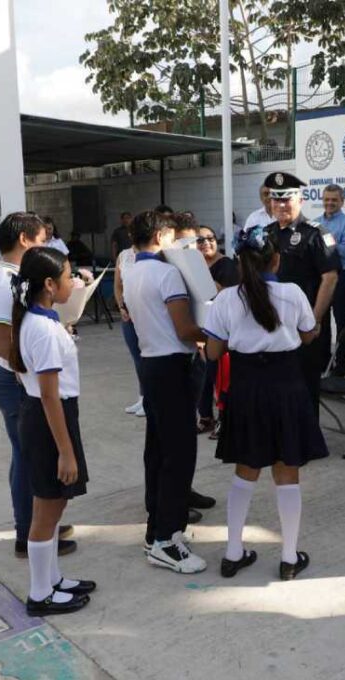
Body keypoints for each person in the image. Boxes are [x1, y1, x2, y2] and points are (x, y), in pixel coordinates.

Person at [204, 225, 327, 580]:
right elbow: (307, 337)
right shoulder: (292, 293)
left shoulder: (226, 299)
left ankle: (232, 552)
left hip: (246, 389)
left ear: (240, 264)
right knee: (287, 469)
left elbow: (213, 352)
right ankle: (289, 558)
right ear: (276, 259)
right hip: (286, 386)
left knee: (246, 469)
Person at [8, 246, 96, 616]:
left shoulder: (41, 318)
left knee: (56, 503)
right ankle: (39, 593)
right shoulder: (42, 329)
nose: (72, 283)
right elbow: (48, 396)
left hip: (49, 415)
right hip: (49, 421)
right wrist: (65, 450)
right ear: (48, 284)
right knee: (45, 509)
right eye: (67, 277)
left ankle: (53, 580)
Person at [0, 212, 76, 559]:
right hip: (14, 380)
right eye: (42, 240)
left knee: (30, 456)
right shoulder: (4, 282)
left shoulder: (19, 278)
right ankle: (28, 533)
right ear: (24, 240)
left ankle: (40, 522)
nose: (46, 246)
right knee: (28, 458)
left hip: (21, 377)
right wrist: (32, 363)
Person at [122, 210, 208, 573]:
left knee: (158, 451)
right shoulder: (167, 273)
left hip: (152, 365)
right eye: (174, 237)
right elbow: (185, 328)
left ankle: (155, 529)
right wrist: (215, 334)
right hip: (172, 365)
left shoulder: (131, 269)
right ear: (159, 236)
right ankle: (166, 540)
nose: (179, 245)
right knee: (179, 455)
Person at [264, 173, 340, 414]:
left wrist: (314, 319)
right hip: (273, 324)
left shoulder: (316, 233)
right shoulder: (266, 233)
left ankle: (307, 443)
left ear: (301, 200)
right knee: (276, 385)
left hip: (304, 325)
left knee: (305, 386)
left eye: (287, 199)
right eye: (276, 200)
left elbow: (330, 278)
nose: (281, 205)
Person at [196, 226, 239, 434]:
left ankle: (224, 418)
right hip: (199, 328)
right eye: (200, 240)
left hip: (221, 329)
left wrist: (207, 281)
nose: (206, 243)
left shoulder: (227, 265)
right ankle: (205, 417)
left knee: (221, 377)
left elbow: (230, 297)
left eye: (210, 238)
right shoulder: (193, 266)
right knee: (202, 377)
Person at [315, 184, 345, 376]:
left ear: (342, 201)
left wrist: (326, 241)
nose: (330, 203)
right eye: (327, 199)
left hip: (341, 277)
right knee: (320, 321)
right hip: (320, 279)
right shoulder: (314, 223)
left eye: (334, 200)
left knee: (342, 322)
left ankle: (342, 363)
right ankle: (323, 361)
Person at [113, 237, 144, 417]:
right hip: (128, 315)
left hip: (145, 315)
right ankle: (142, 396)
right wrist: (121, 307)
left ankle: (149, 398)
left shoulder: (155, 255)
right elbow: (118, 286)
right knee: (137, 358)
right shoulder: (123, 256)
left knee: (148, 358)